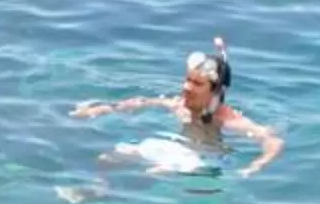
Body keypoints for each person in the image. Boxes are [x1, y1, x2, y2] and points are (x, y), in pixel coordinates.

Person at [71, 37, 284, 176]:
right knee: (106, 159)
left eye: (197, 83)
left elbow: (273, 141)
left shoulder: (226, 118)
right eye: (188, 80)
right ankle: (99, 190)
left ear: (216, 92)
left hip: (205, 159)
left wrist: (255, 166)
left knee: (155, 172)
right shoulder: (180, 105)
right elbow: (142, 102)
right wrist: (102, 109)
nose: (186, 87)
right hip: (178, 148)